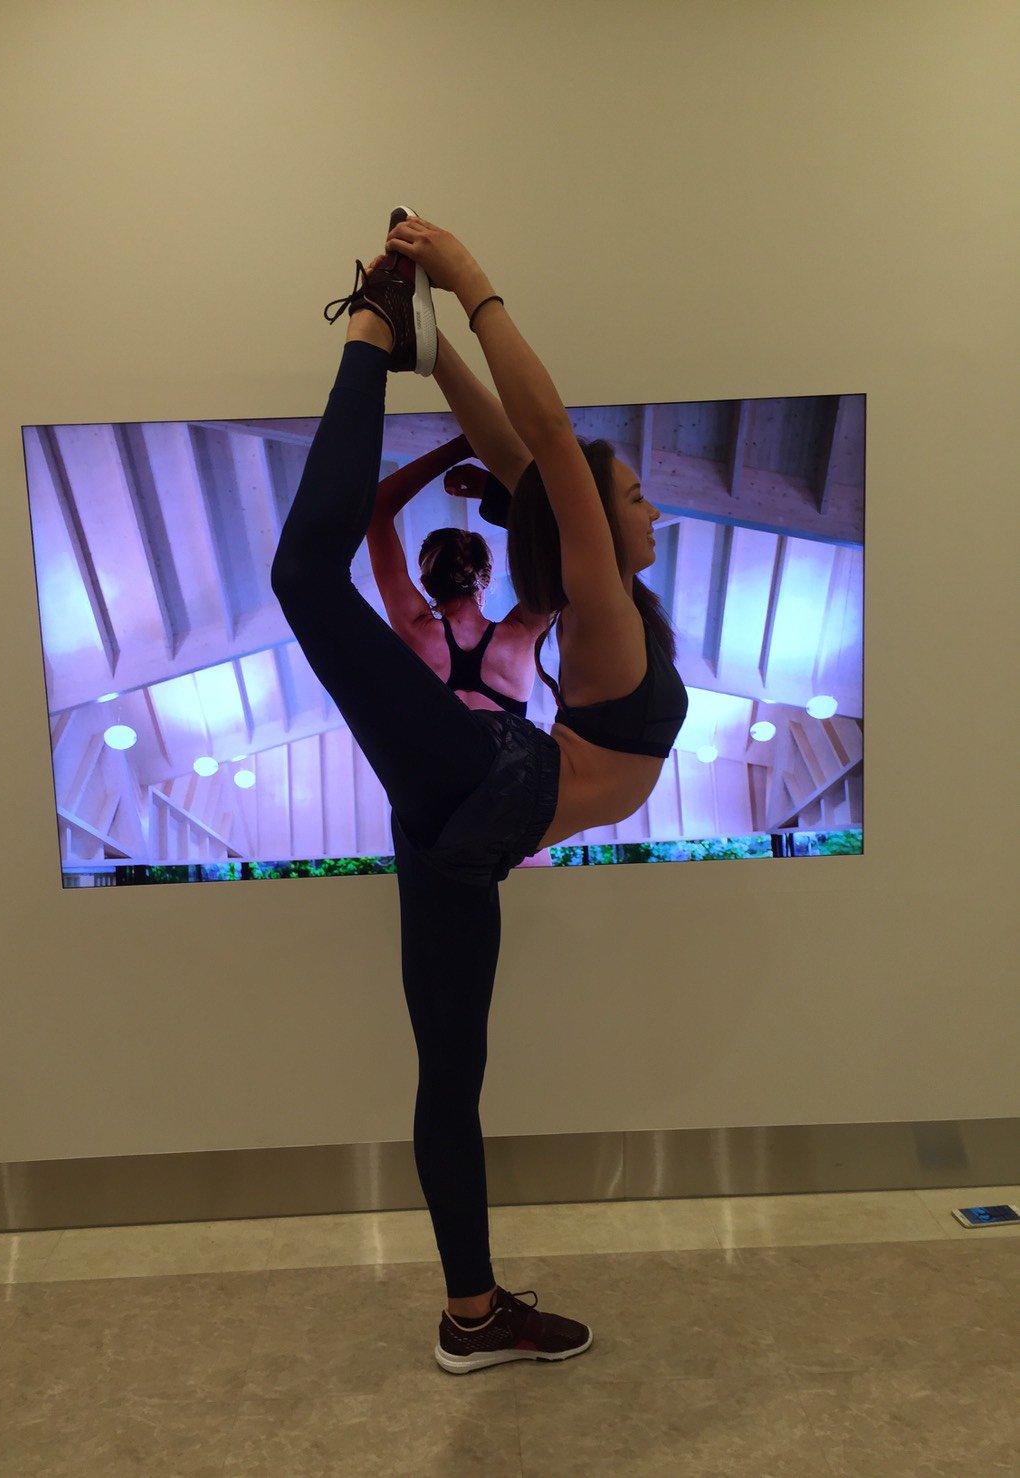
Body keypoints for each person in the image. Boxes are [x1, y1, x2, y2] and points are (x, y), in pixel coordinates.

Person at [270, 206, 687, 1374]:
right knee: (305, 575)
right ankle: (361, 332)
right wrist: (465, 281)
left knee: (452, 1073)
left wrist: (438, 344)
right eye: (636, 495)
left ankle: (473, 1314)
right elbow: (544, 439)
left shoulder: (602, 594)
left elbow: (520, 455)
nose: (652, 506)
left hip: (471, 836)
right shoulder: (604, 612)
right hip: (486, 780)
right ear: (598, 523)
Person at [365, 427, 555, 867]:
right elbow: (562, 544)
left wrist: (462, 443)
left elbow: (377, 510)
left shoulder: (417, 631)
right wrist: (493, 487)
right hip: (513, 807)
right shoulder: (521, 634)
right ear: (484, 579)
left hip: (439, 810)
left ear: (426, 582)